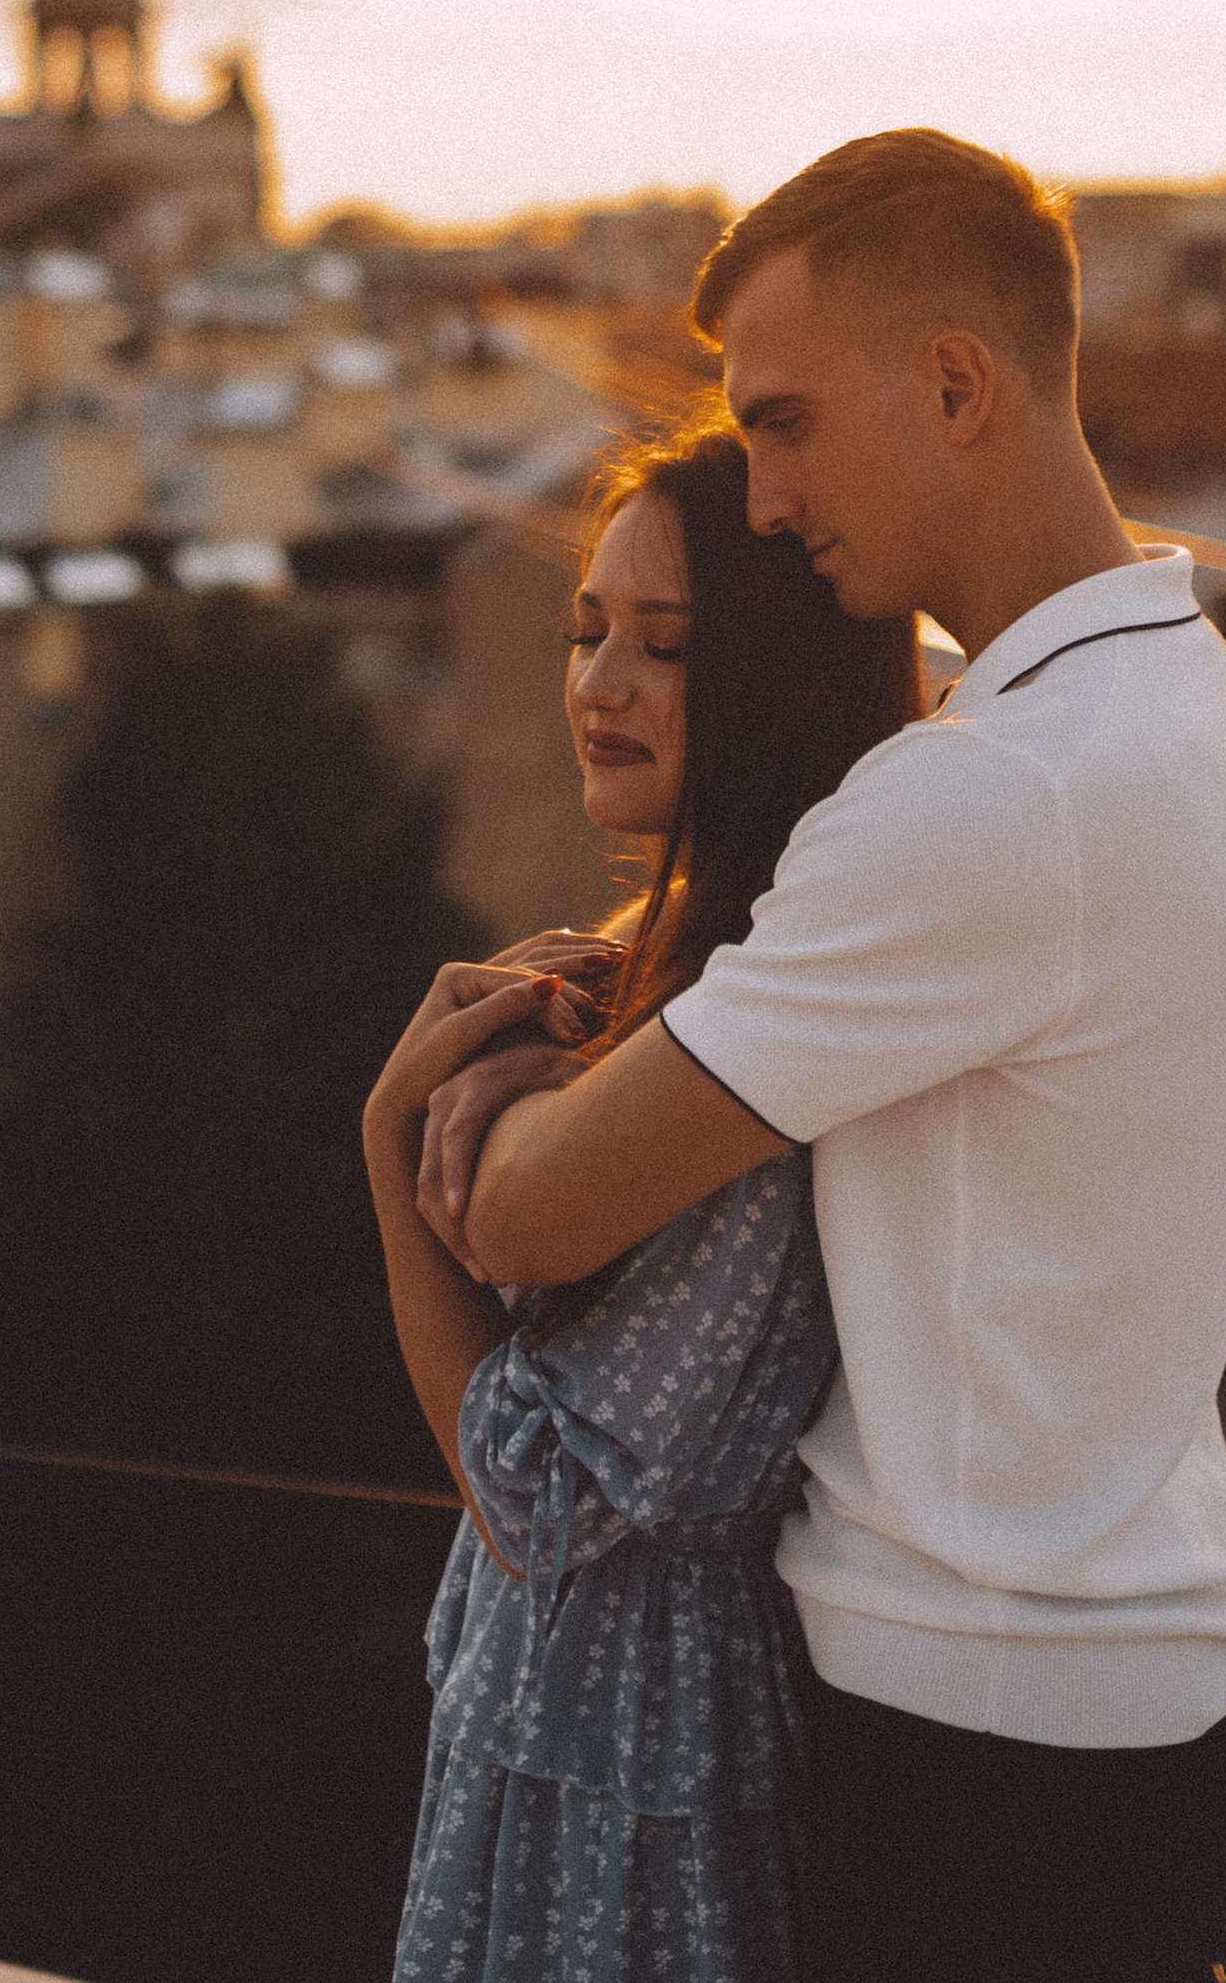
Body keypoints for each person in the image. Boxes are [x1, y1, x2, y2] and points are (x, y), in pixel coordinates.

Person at [417, 130, 1226, 1983]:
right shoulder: (1187, 705)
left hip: (978, 1734)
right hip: (1126, 1692)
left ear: (959, 381)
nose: (762, 498)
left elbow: (527, 1214)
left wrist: (441, 1090)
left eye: (792, 421)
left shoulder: (995, 790)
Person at [365, 423, 919, 1980]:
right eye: (585, 628)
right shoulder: (661, 975)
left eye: (664, 645)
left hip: (639, 1743)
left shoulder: (755, 1032)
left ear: (785, 681)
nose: (599, 681)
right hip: (569, 1704)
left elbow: (543, 1495)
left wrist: (387, 1164)